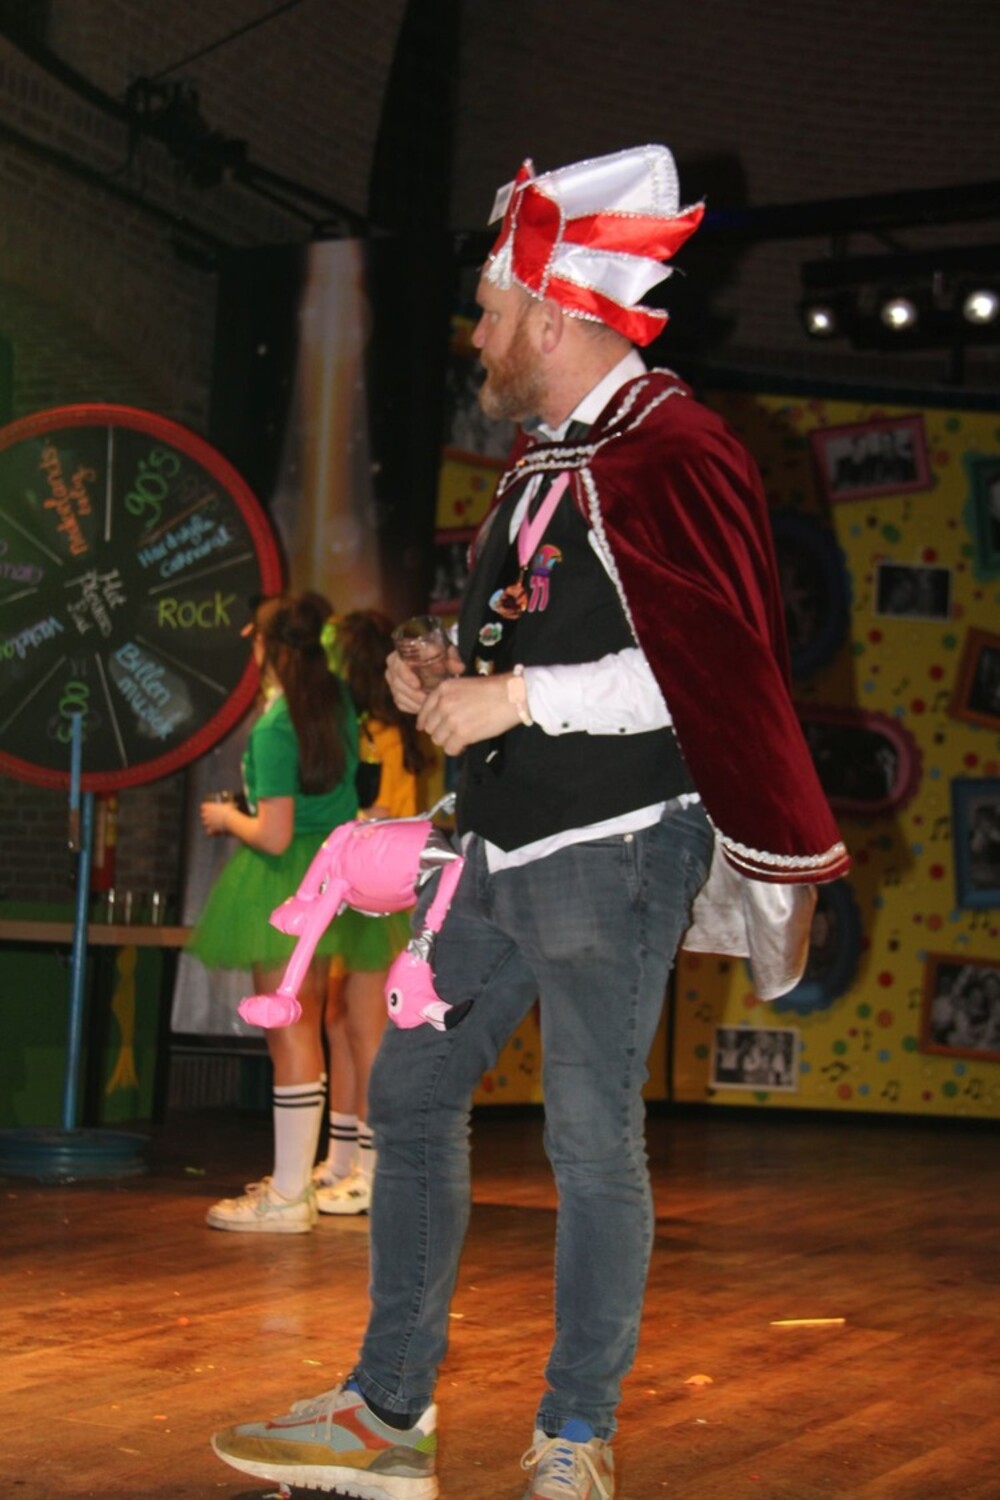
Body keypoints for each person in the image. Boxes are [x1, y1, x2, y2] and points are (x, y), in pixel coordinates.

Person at [211, 145, 849, 1497]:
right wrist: (449, 668)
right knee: (413, 1092)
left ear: (557, 317)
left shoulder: (677, 448)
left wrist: (515, 697)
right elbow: (547, 639)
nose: (478, 335)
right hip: (492, 848)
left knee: (588, 1138)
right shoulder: (548, 461)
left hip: (614, 851)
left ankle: (574, 1436)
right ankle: (387, 1413)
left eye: (493, 311)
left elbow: (712, 666)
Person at [190, 592, 359, 1233]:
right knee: (309, 1026)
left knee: (289, 1032)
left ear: (265, 648)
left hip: (287, 882)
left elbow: (276, 833)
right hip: (337, 876)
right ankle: (297, 1185)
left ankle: (288, 1195)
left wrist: (227, 817)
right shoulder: (338, 706)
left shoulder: (274, 726)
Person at [312, 610, 427, 1216]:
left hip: (380, 894)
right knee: (337, 1019)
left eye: (332, 649)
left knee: (367, 1027)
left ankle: (376, 1167)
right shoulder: (355, 726)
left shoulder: (384, 733)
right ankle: (340, 1159)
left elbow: (392, 816)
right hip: (350, 890)